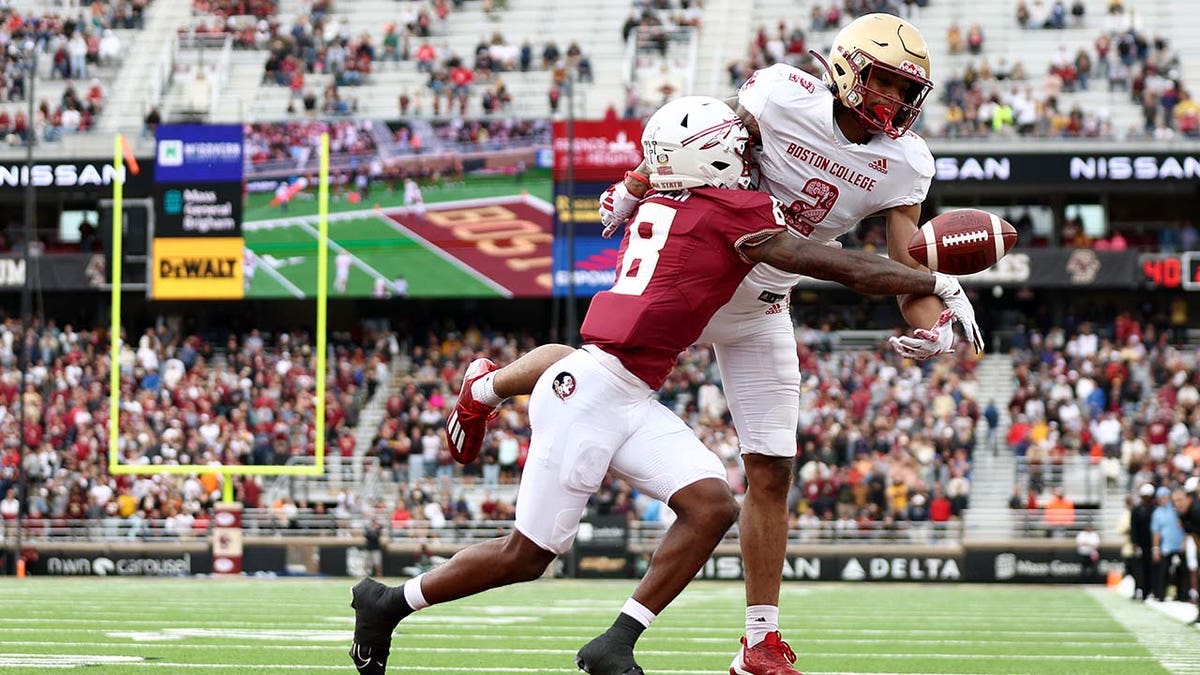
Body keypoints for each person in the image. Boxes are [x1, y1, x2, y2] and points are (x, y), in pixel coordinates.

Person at [355, 96, 977, 675]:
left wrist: (633, 182)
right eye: (736, 150)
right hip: (593, 394)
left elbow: (684, 163)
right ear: (710, 159)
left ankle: (616, 640)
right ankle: (389, 602)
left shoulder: (674, 200)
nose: (748, 160)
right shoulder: (732, 211)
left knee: (711, 506)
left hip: (623, 388)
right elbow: (829, 262)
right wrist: (933, 284)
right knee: (526, 557)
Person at [1150, 486, 1184, 601]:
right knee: (1164, 572)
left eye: (1165, 497)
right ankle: (1161, 594)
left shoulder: (1176, 509)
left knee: (1182, 572)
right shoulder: (1157, 513)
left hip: (1180, 545)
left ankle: (1182, 595)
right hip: (1166, 546)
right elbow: (1156, 532)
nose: (1163, 500)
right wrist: (1155, 548)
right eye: (1161, 497)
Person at [1130, 483, 1157, 601]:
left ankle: (1150, 590)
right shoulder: (1136, 509)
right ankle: (1139, 590)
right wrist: (1135, 544)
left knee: (1152, 568)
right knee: (1139, 569)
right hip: (1141, 544)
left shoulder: (1155, 509)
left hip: (1153, 544)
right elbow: (1134, 528)